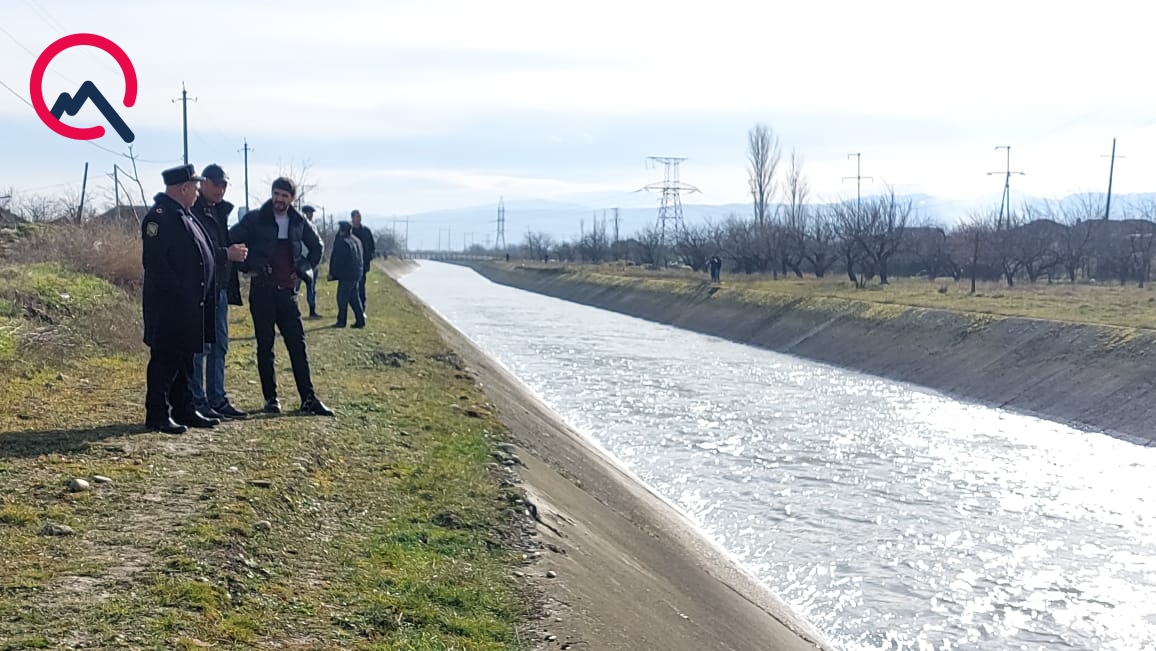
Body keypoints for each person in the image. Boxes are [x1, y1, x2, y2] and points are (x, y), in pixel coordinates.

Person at [141, 164, 239, 434]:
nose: (197, 192)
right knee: (165, 360)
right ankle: (158, 413)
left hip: (191, 304)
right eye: (195, 187)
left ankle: (184, 408)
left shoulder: (185, 215)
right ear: (183, 188)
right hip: (170, 306)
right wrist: (179, 295)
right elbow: (156, 264)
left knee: (185, 360)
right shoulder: (159, 218)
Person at [228, 177, 334, 417]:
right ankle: (271, 399)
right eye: (276, 194)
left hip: (288, 293)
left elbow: (317, 247)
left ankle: (308, 399)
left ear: (292, 198)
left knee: (298, 346)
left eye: (284, 195)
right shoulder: (255, 219)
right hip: (262, 291)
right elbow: (231, 240)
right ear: (272, 194)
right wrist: (247, 266)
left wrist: (303, 269)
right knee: (265, 346)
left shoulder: (299, 221)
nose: (279, 199)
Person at [189, 164, 249, 420]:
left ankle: (217, 399)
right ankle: (197, 400)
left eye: (224, 185)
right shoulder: (192, 210)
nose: (220, 189)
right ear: (203, 183)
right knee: (200, 347)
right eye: (216, 184)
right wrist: (227, 253)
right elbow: (195, 251)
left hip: (220, 288)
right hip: (202, 289)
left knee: (219, 346)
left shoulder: (221, 211)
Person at [327, 220, 366, 328]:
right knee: (354, 298)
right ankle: (360, 320)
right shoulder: (356, 240)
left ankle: (341, 321)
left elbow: (338, 260)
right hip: (356, 273)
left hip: (346, 275)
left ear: (342, 230)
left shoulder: (342, 242)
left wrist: (332, 273)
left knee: (342, 298)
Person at [349, 209, 375, 312]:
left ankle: (362, 308)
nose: (359, 219)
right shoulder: (349, 231)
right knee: (350, 288)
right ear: (352, 218)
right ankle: (354, 307)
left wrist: (369, 257)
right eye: (357, 217)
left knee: (361, 287)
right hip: (351, 265)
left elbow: (372, 246)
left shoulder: (366, 231)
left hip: (363, 264)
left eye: (359, 216)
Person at [298, 204, 320, 319]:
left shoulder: (313, 227)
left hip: (311, 261)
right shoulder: (297, 226)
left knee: (311, 288)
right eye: (309, 213)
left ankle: (312, 310)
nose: (310, 215)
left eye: (311, 213)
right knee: (295, 287)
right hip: (300, 260)